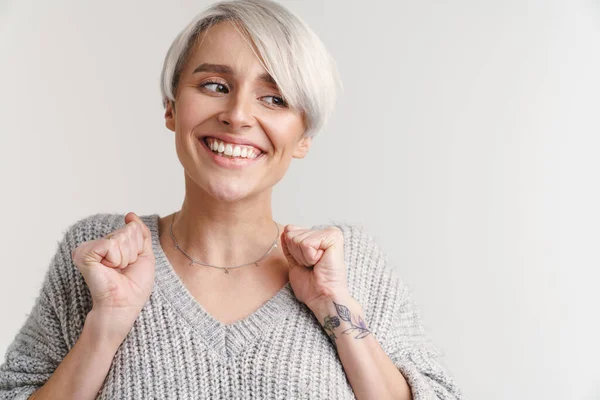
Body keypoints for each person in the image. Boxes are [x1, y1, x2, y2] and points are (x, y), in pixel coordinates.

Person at [0, 0, 463, 398]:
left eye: (275, 99)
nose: (238, 115)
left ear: (303, 136)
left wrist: (335, 308)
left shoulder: (351, 266)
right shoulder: (99, 254)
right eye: (215, 86)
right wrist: (107, 324)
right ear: (171, 107)